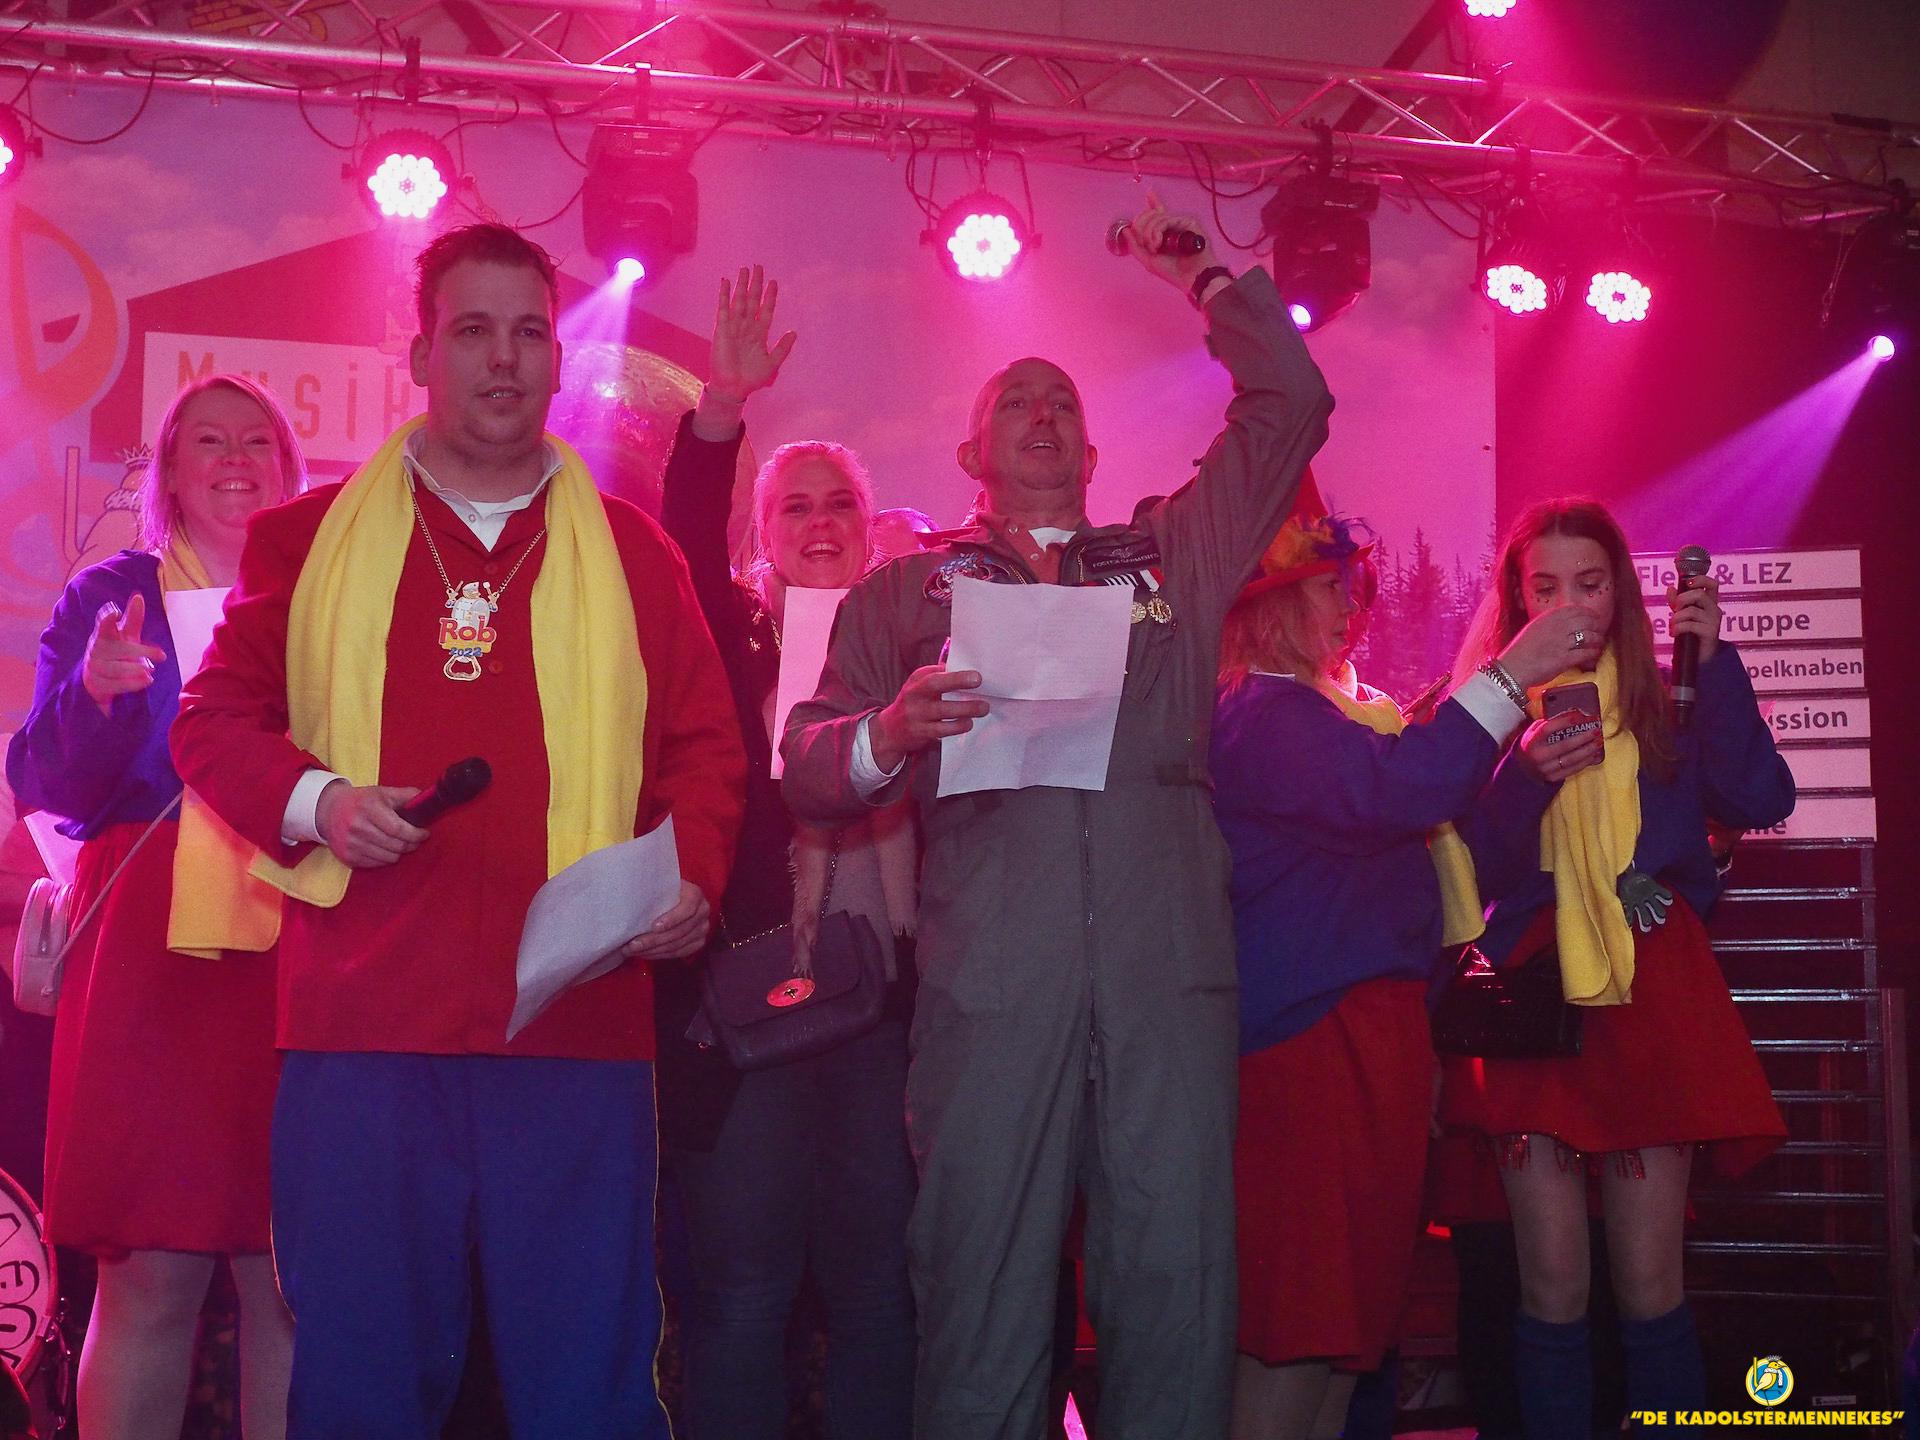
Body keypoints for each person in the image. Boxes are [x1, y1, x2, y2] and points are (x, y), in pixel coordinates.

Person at [169, 223, 746, 1439]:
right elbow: (211, 720)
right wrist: (321, 802)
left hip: (579, 1026)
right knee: (360, 1390)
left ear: (558, 358)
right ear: (421, 354)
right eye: (474, 331)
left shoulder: (633, 552)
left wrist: (692, 876)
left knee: (589, 1393)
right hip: (363, 1030)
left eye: (529, 332)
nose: (505, 359)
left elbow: (705, 746)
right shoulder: (306, 539)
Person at [782, 194, 1333, 1438]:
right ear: (971, 453)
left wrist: (1202, 277)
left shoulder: (1170, 558)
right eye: (1015, 404)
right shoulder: (905, 594)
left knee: (1177, 1295)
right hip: (991, 998)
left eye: (1065, 406)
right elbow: (808, 763)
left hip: (1164, 982)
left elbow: (1292, 402)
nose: (1043, 416)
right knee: (979, 1302)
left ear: (1091, 454)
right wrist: (888, 733)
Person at [1209, 479, 1597, 1440]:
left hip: (1369, 1044)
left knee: (1346, 1339)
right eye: (1332, 585)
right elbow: (1406, 793)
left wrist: (1523, 775)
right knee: (1300, 1330)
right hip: (1309, 1051)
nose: (1352, 605)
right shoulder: (1263, 715)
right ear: (1274, 604)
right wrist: (1508, 677)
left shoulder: (1328, 715)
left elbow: (1443, 867)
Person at [1440, 499, 1791, 1438]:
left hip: (1652, 985)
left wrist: (1714, 660)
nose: (1568, 606)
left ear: (1624, 594)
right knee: (1551, 1286)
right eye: (1544, 587)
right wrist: (1523, 778)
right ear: (1518, 600)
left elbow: (1759, 796)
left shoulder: (1670, 699)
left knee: (1649, 1285)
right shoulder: (1483, 713)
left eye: (1589, 583)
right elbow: (1470, 876)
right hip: (1532, 992)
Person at [5, 374, 304, 1440]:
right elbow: (41, 779)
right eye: (209, 441)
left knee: (291, 1282)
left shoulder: (324, 597)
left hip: (299, 946)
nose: (236, 459)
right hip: (148, 952)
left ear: (288, 468)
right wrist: (93, 694)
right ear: (169, 472)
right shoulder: (112, 594)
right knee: (149, 1281)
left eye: (256, 440)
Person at [655, 267, 916, 1439]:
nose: (819, 523)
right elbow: (680, 534)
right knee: (744, 1293)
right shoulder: (732, 636)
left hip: (887, 1013)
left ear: (871, 527)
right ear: (761, 536)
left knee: (876, 1292)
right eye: (794, 507)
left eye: (839, 505)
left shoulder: (923, 645)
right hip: (752, 1002)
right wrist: (721, 405)